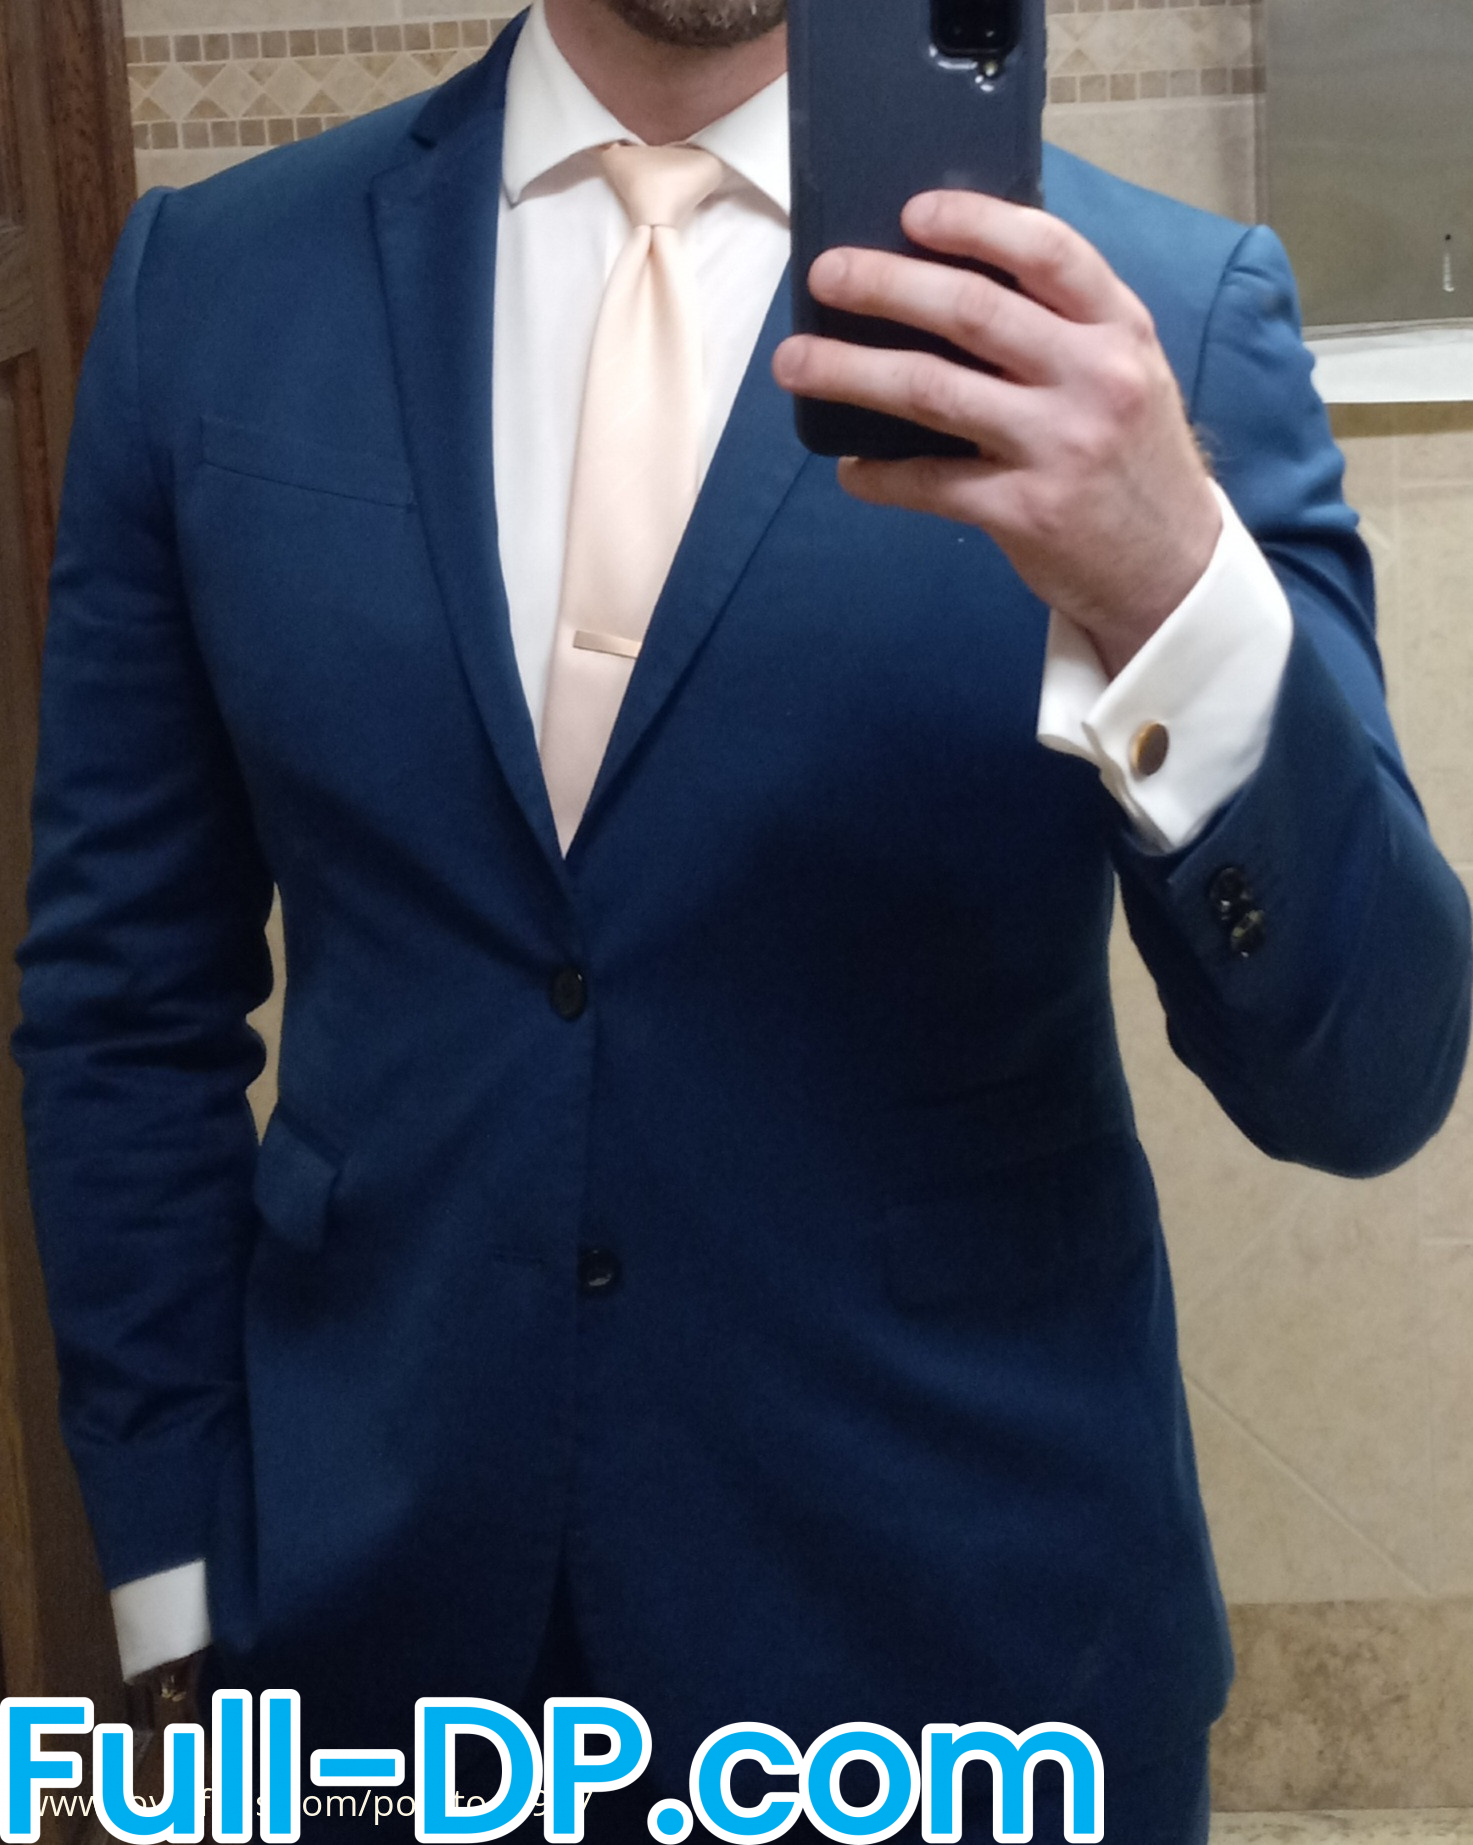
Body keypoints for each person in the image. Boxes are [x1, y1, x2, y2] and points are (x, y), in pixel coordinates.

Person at [13, 0, 1471, 1839]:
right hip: (371, 1653)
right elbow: (123, 1008)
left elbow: (1372, 1080)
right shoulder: (213, 292)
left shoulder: (1152, 327)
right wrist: (174, 1587)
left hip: (963, 1668)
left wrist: (1173, 586)